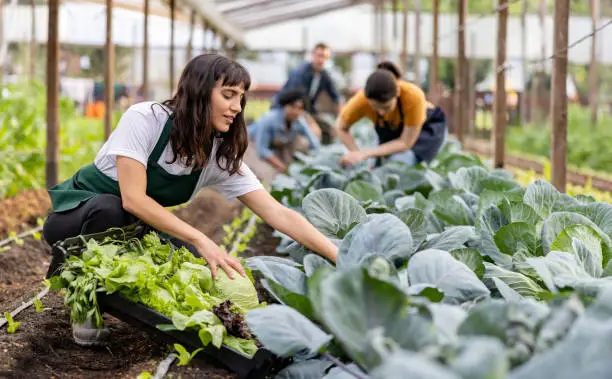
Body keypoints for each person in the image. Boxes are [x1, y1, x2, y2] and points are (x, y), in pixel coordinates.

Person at [42, 53, 338, 346]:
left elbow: (278, 213)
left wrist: (338, 256)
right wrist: (200, 238)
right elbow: (132, 199)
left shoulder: (216, 153)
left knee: (197, 267)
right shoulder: (146, 118)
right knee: (112, 208)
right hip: (77, 218)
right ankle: (85, 304)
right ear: (199, 91)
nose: (237, 107)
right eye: (228, 95)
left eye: (241, 97)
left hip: (133, 229)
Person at [335, 61, 447, 168]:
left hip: (425, 129)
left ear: (397, 93)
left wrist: (365, 154)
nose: (381, 113)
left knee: (399, 164)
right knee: (377, 166)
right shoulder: (361, 100)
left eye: (386, 107)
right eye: (375, 108)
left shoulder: (413, 97)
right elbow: (340, 127)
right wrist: (356, 154)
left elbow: (405, 143)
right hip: (394, 129)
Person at [273, 42, 343, 144]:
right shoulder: (301, 72)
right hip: (285, 109)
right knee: (313, 133)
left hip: (307, 110)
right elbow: (296, 101)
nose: (321, 60)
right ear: (313, 55)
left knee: (331, 130)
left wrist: (342, 118)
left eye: (325, 57)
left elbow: (336, 96)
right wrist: (311, 123)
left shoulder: (324, 75)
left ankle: (319, 152)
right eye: (319, 56)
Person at [246, 88, 320, 179]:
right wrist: (282, 167)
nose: (296, 111)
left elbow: (313, 142)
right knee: (264, 174)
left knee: (302, 143)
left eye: (300, 108)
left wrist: (314, 160)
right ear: (285, 105)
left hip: (273, 145)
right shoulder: (269, 120)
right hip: (252, 143)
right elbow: (262, 150)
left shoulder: (299, 121)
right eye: (292, 106)